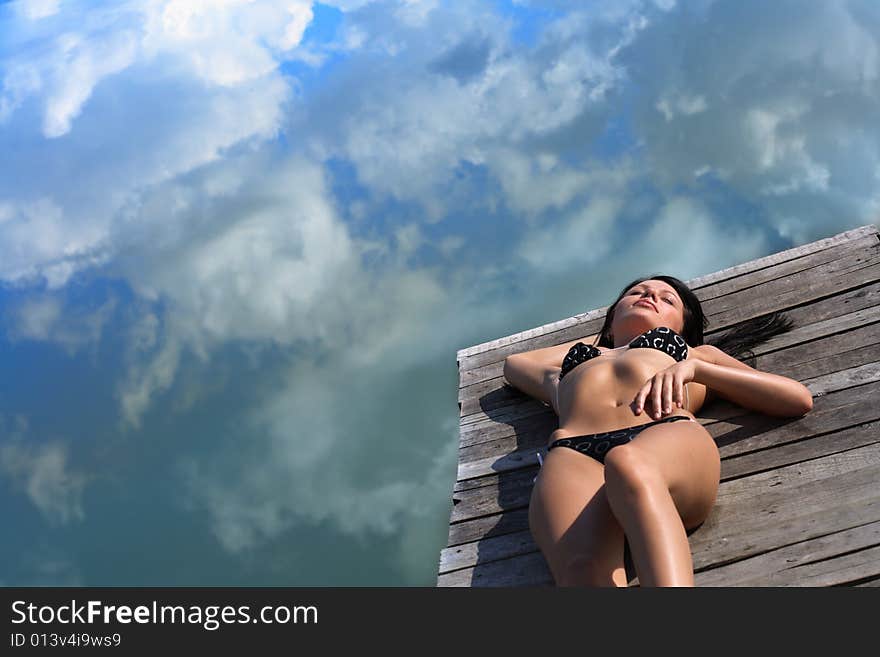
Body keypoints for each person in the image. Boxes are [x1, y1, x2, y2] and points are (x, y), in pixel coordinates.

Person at [502, 275, 814, 587]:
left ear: (682, 327)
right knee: (582, 569)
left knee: (629, 464)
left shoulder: (695, 355)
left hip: (662, 437)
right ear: (611, 318)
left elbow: (796, 398)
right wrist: (598, 349)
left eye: (668, 300)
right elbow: (515, 364)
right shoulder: (562, 374)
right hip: (573, 453)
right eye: (636, 292)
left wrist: (698, 370)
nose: (650, 295)